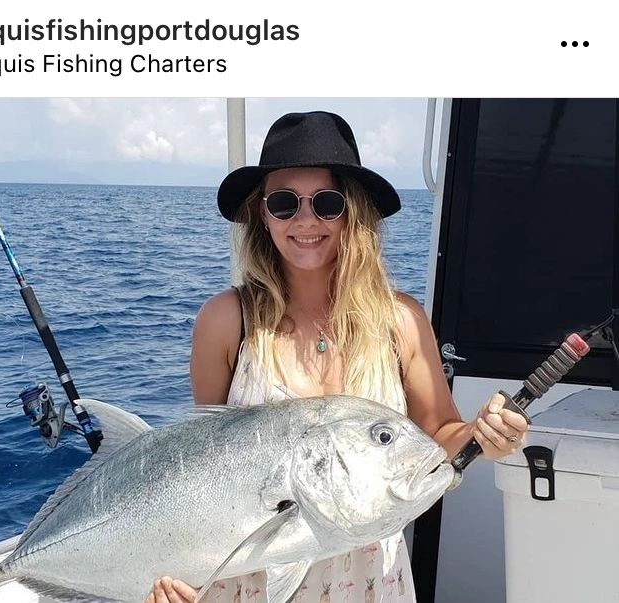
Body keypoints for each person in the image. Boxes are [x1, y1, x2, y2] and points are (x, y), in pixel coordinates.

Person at [146, 111, 529, 603]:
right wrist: (177, 578)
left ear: (354, 211)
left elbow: (439, 435)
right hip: (251, 584)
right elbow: (204, 471)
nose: (306, 221)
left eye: (327, 203)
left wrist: (485, 435)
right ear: (262, 214)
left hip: (369, 580)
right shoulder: (227, 321)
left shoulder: (401, 320)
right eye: (284, 203)